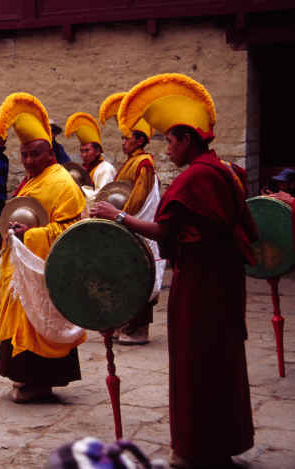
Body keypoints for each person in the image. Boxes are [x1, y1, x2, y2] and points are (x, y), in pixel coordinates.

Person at [90, 73, 256, 469]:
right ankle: (222, 441)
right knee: (222, 360)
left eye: (170, 141)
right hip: (224, 283)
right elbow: (246, 227)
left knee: (196, 361)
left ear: (186, 139)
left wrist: (120, 217)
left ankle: (199, 447)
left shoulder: (197, 177)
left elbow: (166, 230)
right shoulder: (224, 171)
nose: (167, 150)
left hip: (201, 287)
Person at [0, 92, 87, 403]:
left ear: (50, 153)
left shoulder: (62, 183)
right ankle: (24, 378)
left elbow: (72, 231)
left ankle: (40, 383)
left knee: (40, 322)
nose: (29, 161)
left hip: (44, 271)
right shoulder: (31, 180)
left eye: (35, 154)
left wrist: (32, 235)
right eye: (24, 155)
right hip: (22, 271)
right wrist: (1, 230)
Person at [101, 91, 161, 345]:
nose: (123, 143)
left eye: (126, 138)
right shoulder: (131, 162)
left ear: (139, 139)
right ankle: (123, 323)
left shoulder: (144, 163)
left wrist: (120, 216)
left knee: (140, 273)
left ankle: (138, 329)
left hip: (133, 224)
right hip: (123, 222)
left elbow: (138, 198)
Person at [64, 111, 116, 195]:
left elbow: (102, 194)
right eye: (82, 151)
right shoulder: (85, 168)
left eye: (87, 150)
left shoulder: (105, 169)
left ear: (97, 151)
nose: (84, 155)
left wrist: (79, 190)